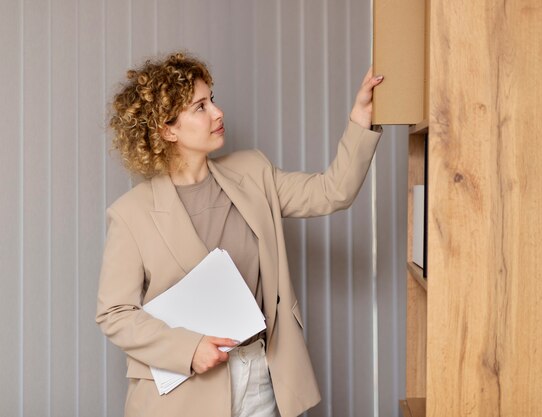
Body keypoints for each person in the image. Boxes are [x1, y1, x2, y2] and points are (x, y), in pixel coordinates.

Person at [96, 52, 383, 417]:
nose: (217, 113)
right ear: (167, 130)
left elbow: (333, 191)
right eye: (200, 107)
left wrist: (360, 118)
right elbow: (115, 313)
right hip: (182, 395)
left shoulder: (253, 171)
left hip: (262, 376)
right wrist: (188, 350)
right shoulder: (131, 214)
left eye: (212, 99)